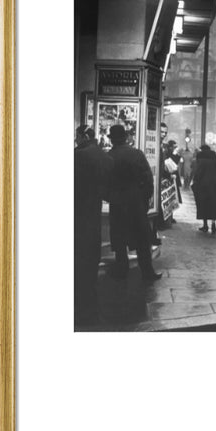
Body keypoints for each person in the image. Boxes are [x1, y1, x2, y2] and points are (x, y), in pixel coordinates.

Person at [107, 124, 162, 283]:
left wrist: (111, 197)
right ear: (125, 138)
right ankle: (147, 272)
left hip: (117, 202)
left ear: (112, 140)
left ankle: (121, 269)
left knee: (119, 238)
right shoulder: (136, 154)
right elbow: (148, 179)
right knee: (141, 239)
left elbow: (105, 182)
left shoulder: (110, 156)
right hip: (135, 201)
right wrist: (144, 200)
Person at [74, 125, 112, 325]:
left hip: (78, 209)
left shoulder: (79, 156)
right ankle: (89, 284)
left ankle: (81, 294)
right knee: (91, 249)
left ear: (82, 136)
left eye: (76, 137)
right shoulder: (104, 156)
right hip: (94, 209)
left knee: (79, 249)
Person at [191, 144, 216, 233]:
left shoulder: (201, 158)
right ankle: (213, 225)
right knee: (214, 204)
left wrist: (194, 180)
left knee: (203, 204)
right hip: (214, 184)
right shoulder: (214, 157)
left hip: (203, 184)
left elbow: (197, 172)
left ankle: (205, 225)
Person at [164, 139, 182, 222]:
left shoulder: (173, 153)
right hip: (169, 177)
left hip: (174, 177)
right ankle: (168, 217)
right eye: (174, 147)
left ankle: (171, 216)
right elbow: (171, 164)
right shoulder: (167, 154)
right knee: (168, 198)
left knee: (173, 197)